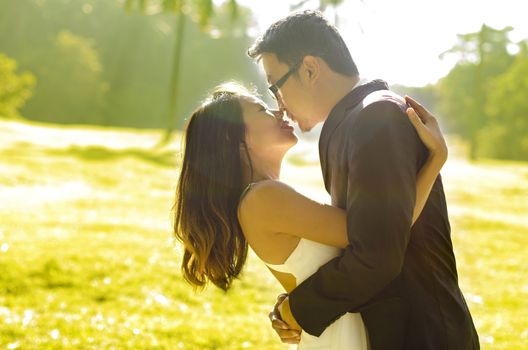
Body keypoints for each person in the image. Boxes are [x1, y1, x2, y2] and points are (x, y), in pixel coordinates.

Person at [246, 10, 479, 349]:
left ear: (310, 69)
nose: (278, 104)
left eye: (275, 86)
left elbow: (377, 255)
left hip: (423, 334)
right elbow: (358, 236)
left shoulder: (377, 117)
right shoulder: (350, 124)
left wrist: (299, 309)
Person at [173, 81, 449, 348]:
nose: (278, 110)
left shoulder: (264, 197)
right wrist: (435, 159)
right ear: (232, 137)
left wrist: (292, 306)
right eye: (261, 110)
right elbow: (381, 233)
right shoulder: (264, 198)